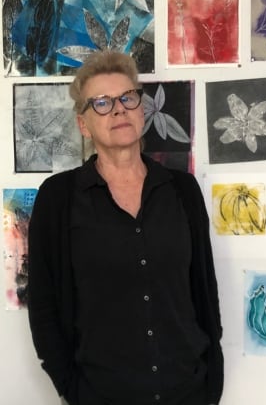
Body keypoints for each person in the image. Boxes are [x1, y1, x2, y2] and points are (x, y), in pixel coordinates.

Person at [26, 51, 223, 405]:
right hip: (101, 395)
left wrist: (211, 382)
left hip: (188, 392)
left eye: (127, 97)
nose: (118, 109)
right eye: (101, 103)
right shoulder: (58, 199)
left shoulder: (183, 191)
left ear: (142, 108)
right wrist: (71, 389)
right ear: (83, 124)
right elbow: (43, 308)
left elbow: (204, 287)